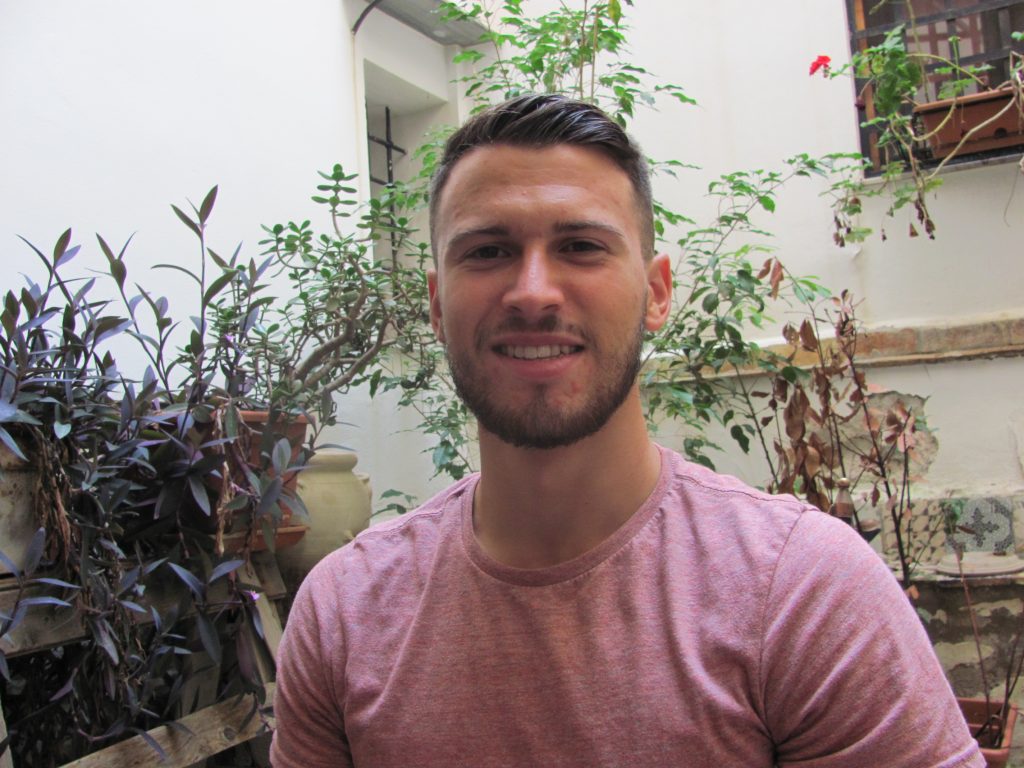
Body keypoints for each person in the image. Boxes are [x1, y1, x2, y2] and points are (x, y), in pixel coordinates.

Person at [270, 94, 983, 767]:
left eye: (581, 245)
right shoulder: (344, 614)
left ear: (658, 292)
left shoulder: (801, 592)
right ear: (434, 302)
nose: (533, 291)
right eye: (487, 251)